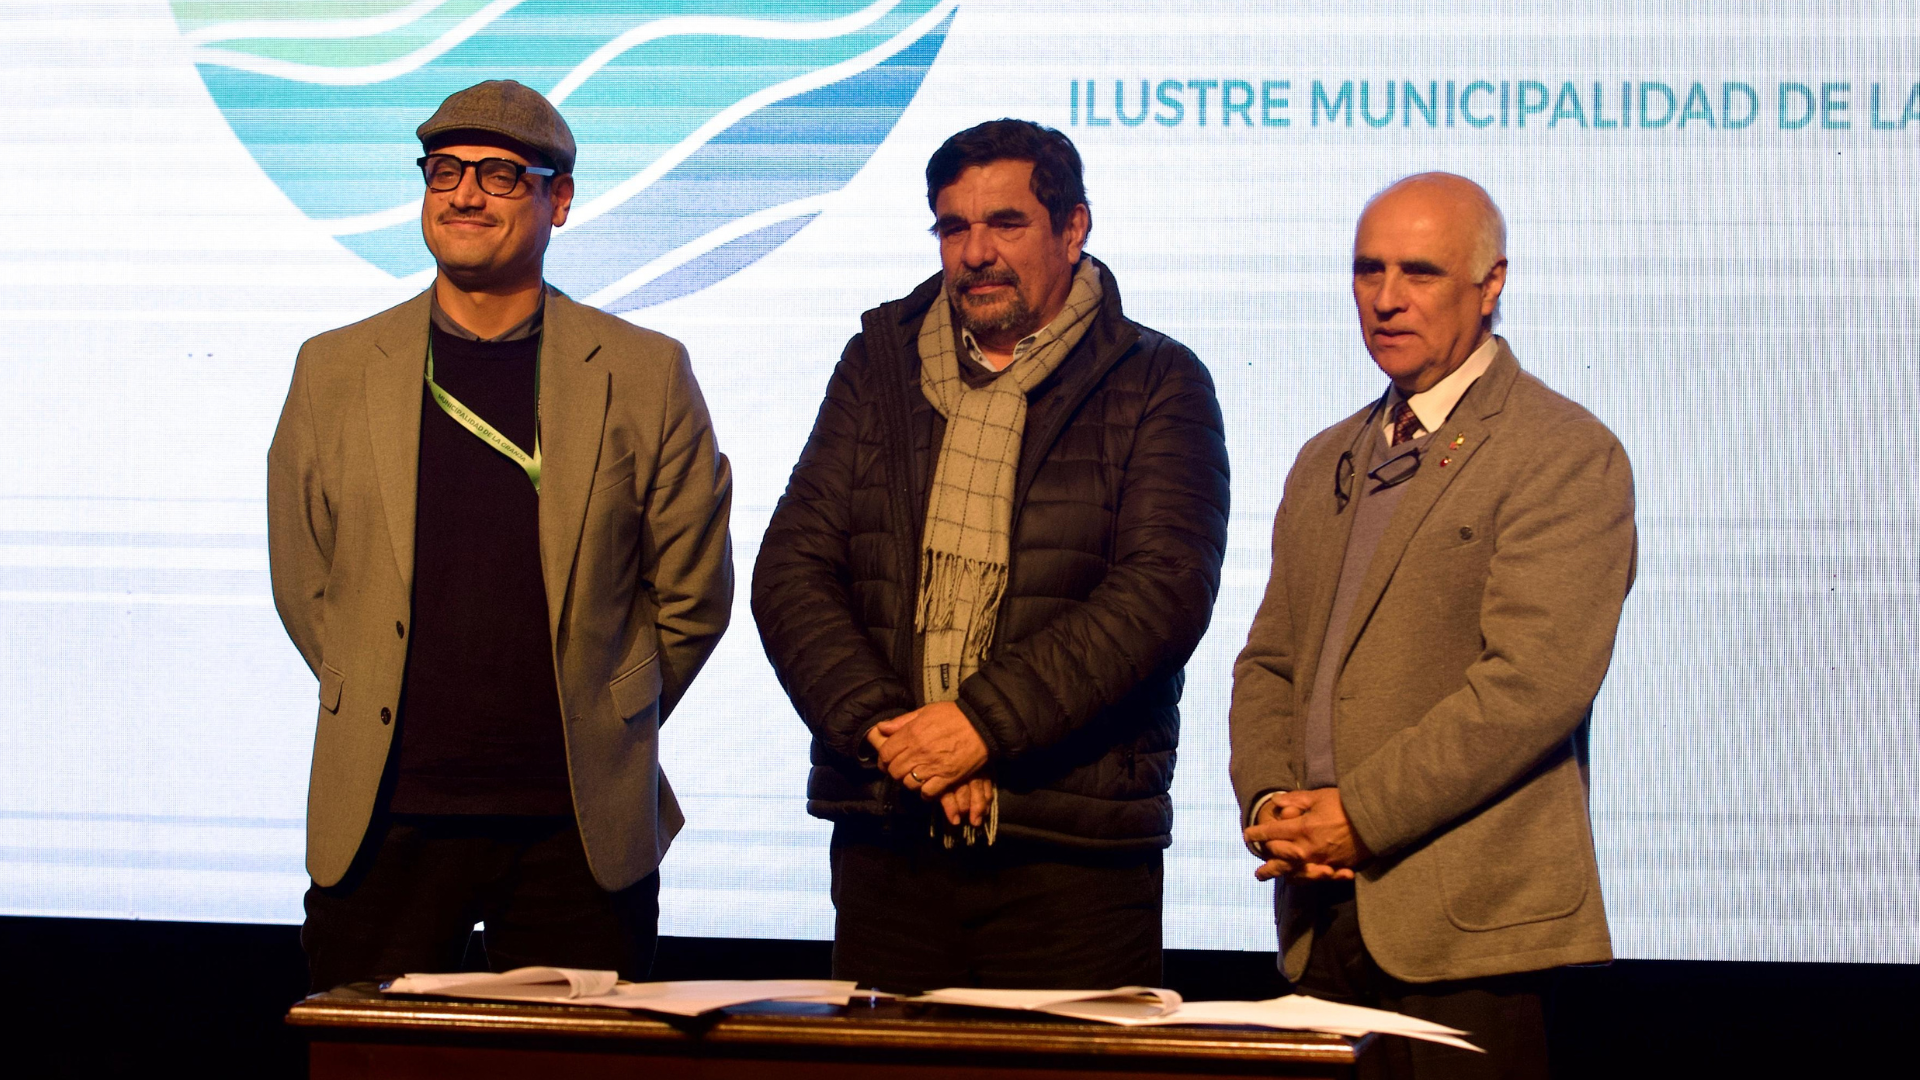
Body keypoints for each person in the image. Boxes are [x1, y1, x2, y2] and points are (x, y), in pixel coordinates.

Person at [268, 80, 732, 990]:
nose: (465, 195)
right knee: (367, 1058)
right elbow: (306, 581)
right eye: (444, 171)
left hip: (576, 829)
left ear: (560, 200)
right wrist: (371, 680)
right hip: (386, 818)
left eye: (500, 175)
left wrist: (606, 711)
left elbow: (692, 595)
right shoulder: (333, 368)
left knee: (574, 1061)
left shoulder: (645, 372)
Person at [752, 119, 1229, 990]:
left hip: (1071, 852)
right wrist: (895, 736)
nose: (975, 253)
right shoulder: (877, 364)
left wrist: (979, 726)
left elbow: (1162, 595)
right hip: (890, 834)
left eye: (1006, 223)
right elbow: (791, 572)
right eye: (953, 227)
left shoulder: (1157, 379)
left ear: (1073, 229)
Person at [1228, 172, 1636, 1078]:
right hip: (1320, 913)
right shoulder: (1326, 457)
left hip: (1469, 932)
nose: (1386, 298)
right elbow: (1270, 663)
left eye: (1419, 272)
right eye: (1367, 270)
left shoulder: (1563, 451)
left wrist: (1359, 816)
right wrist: (1271, 806)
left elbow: (1533, 687)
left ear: (1491, 286)